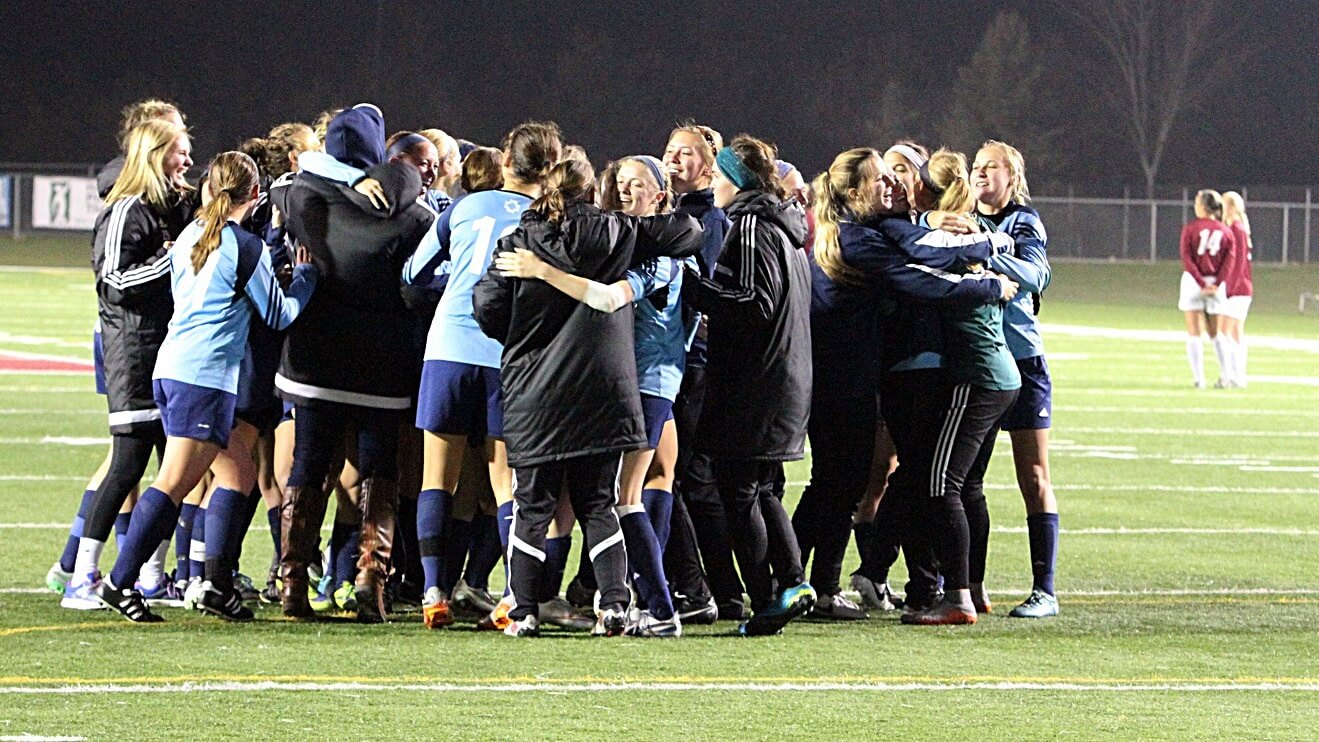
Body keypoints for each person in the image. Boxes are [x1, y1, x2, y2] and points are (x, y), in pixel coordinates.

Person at [472, 157, 703, 637]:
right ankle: (616, 605)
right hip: (604, 392)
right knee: (600, 503)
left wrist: (523, 337)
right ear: (592, 192)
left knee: (533, 507)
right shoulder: (618, 233)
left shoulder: (520, 240)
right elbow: (688, 230)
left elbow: (487, 305)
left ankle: (524, 610)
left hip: (536, 392)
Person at [95, 151, 318, 622]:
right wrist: (305, 279)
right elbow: (278, 313)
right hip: (206, 376)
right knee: (174, 481)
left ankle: (215, 582)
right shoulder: (244, 246)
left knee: (236, 473)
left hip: (173, 366)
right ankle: (119, 581)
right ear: (254, 196)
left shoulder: (190, 236)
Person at [273, 104, 436, 622]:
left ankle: (293, 582)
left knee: (308, 468)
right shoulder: (411, 213)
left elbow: (289, 174)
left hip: (316, 360)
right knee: (378, 472)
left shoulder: (303, 198)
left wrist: (341, 175)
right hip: (381, 364)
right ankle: (371, 580)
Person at [402, 121, 562, 629]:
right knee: (504, 482)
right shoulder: (550, 220)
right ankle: (516, 594)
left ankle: (433, 591)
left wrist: (457, 280)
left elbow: (412, 274)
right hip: (507, 358)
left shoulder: (465, 208)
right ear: (552, 169)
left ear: (507, 163)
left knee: (437, 478)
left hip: (448, 346)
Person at [681, 135, 816, 636]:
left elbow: (755, 302)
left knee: (739, 491)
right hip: (781, 377)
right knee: (761, 489)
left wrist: (696, 291)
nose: (713, 182)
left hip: (757, 381)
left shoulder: (755, 225)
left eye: (719, 175)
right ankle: (793, 582)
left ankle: (766, 597)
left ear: (738, 181)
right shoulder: (780, 224)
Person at [61, 119, 195, 610]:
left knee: (173, 469)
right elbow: (114, 280)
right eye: (179, 152)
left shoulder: (172, 205)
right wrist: (173, 259)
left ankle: (151, 577)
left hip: (169, 348)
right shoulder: (126, 209)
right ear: (154, 153)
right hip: (133, 350)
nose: (186, 160)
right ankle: (81, 576)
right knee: (127, 464)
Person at [966, 141, 1061, 618]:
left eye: (991, 168)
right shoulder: (959, 214)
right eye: (976, 167)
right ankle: (966, 585)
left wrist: (986, 251)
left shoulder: (1024, 222)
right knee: (965, 478)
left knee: (1034, 474)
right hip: (978, 360)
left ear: (1012, 176)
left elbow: (1035, 275)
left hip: (1021, 359)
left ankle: (1045, 589)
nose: (980, 174)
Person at [656, 123, 740, 623]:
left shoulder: (707, 218)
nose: (673, 159)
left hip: (690, 364)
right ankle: (719, 589)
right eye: (669, 151)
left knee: (681, 478)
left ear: (709, 166)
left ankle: (698, 587)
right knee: (688, 478)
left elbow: (707, 291)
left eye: (685, 154)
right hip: (680, 362)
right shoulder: (679, 211)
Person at [1178, 189, 1237, 389]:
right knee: (1216, 334)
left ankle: (1198, 379)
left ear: (1203, 206)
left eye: (1196, 202)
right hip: (1216, 285)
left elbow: (1187, 259)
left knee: (1194, 333)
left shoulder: (1191, 228)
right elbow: (1229, 263)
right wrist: (1217, 284)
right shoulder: (1227, 231)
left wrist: (1202, 283)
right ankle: (1226, 376)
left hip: (1194, 283)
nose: (1195, 206)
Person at [1217, 191, 1253, 387]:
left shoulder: (1236, 228)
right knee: (1236, 333)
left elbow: (1237, 262)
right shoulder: (1238, 227)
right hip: (1242, 287)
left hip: (1237, 289)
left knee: (1224, 333)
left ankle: (1230, 377)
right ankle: (1239, 378)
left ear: (1230, 207)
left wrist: (1228, 288)